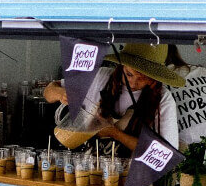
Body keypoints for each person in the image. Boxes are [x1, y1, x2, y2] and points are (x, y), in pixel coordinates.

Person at [44, 43, 185, 156]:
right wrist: (60, 92)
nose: (134, 83)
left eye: (143, 79)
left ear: (154, 77)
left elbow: (166, 154)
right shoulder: (99, 77)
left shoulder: (162, 99)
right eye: (129, 74)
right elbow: (48, 92)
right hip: (85, 166)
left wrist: (115, 133)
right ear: (122, 65)